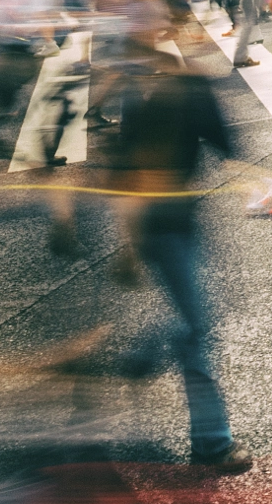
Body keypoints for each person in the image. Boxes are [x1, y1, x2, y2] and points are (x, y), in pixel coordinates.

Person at [101, 48, 252, 473]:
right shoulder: (158, 91)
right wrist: (130, 245)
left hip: (176, 222)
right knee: (196, 331)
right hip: (162, 227)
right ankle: (212, 443)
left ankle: (145, 352)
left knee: (194, 319)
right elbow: (130, 174)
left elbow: (228, 149)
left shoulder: (181, 89)